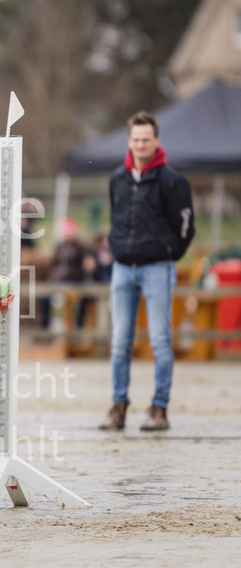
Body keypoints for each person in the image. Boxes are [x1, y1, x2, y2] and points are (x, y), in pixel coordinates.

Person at [100, 111, 194, 432]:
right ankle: (119, 406)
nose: (140, 144)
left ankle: (159, 407)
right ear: (129, 141)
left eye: (146, 139)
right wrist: (117, 248)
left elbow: (185, 227)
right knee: (120, 341)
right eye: (136, 139)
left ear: (156, 141)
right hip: (123, 269)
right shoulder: (118, 179)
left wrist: (168, 254)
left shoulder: (173, 181)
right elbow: (116, 218)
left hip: (157, 268)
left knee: (160, 340)